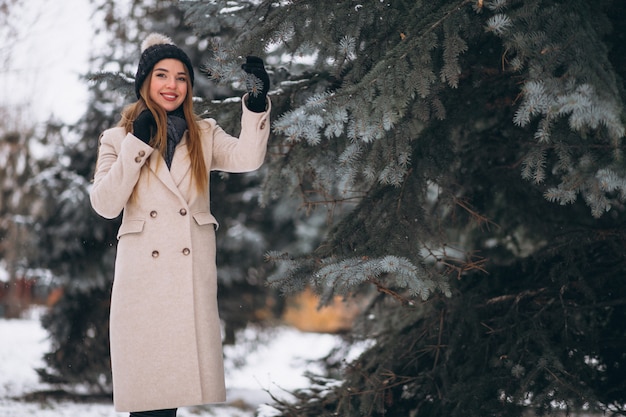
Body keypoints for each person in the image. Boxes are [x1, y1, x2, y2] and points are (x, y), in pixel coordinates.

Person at [89, 33, 271, 417]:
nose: (172, 85)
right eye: (161, 75)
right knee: (148, 399)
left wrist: (254, 107)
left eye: (181, 77)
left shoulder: (203, 133)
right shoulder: (117, 137)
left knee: (166, 399)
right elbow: (105, 204)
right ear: (145, 82)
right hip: (142, 284)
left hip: (186, 280)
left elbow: (248, 157)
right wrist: (136, 144)